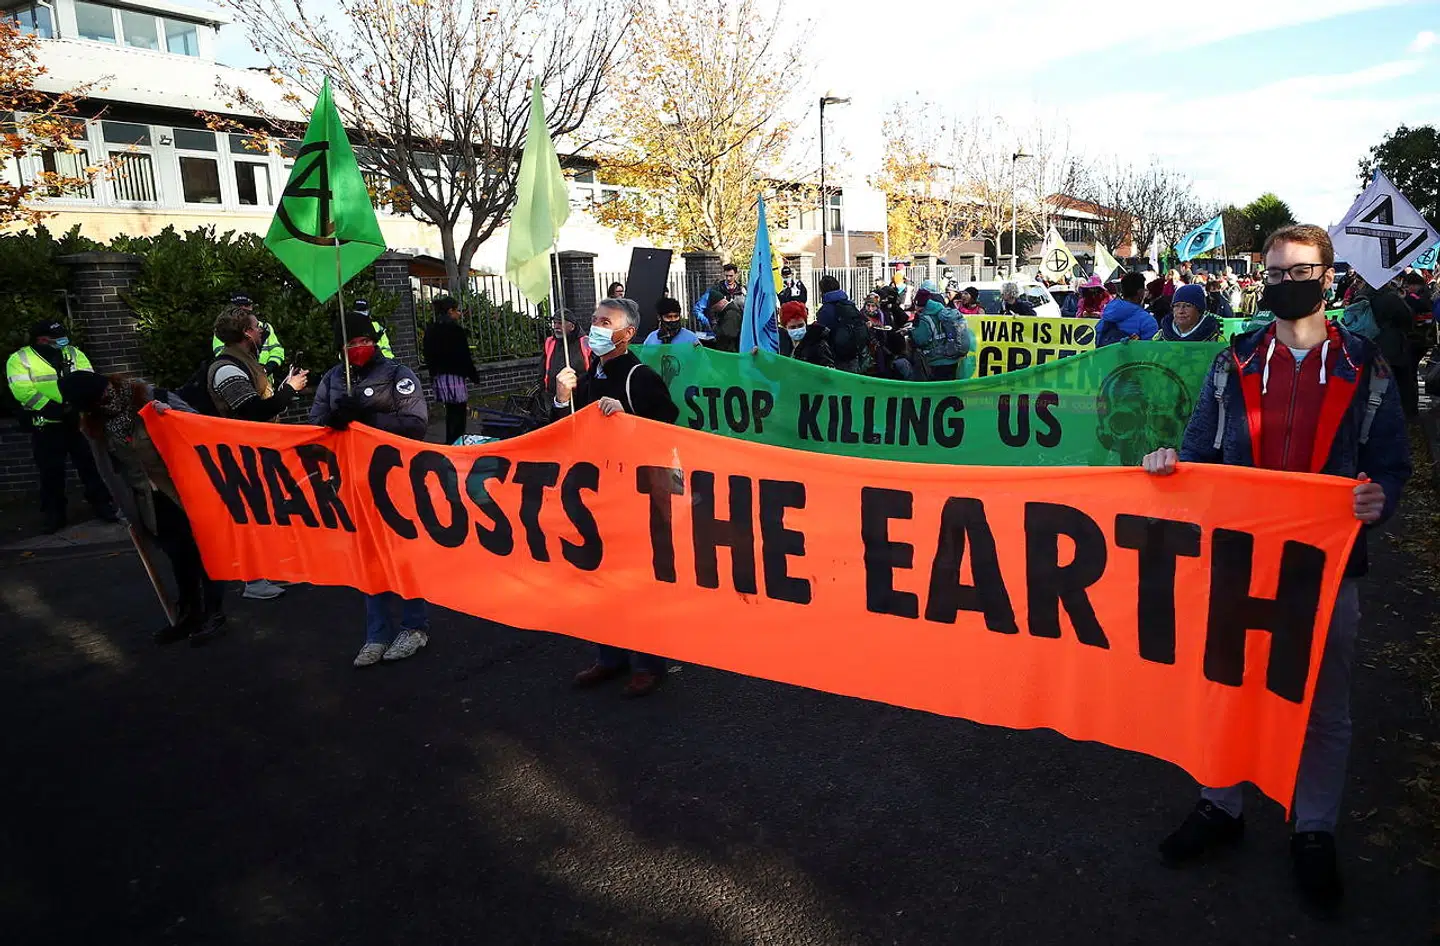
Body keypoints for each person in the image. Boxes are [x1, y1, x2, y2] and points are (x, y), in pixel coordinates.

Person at [1142, 224, 1410, 913]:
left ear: (1327, 276)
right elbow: (1199, 449)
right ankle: (1220, 806)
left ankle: (1313, 828)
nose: (1285, 282)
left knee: (1324, 704)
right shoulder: (1234, 362)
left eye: (1299, 271)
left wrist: (1379, 502)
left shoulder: (1366, 366)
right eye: (1275, 272)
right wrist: (1170, 464)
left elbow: (1390, 466)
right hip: (1239, 558)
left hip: (1330, 566)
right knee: (1228, 687)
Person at [554, 298, 679, 698]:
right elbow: (566, 430)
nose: (595, 327)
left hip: (638, 494)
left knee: (638, 580)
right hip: (598, 491)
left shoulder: (638, 376)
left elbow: (668, 427)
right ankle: (610, 656)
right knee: (601, 576)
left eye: (605, 322)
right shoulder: (592, 372)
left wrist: (627, 415)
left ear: (626, 334)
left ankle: (648, 663)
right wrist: (561, 397)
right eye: (593, 320)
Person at [58, 370, 225, 646]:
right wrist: (125, 510)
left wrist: (171, 414)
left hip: (186, 491)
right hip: (150, 500)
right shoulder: (94, 423)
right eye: (94, 402)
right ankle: (190, 613)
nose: (103, 400)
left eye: (102, 394)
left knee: (205, 553)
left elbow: (200, 426)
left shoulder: (148, 396)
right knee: (179, 557)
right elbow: (108, 470)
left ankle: (214, 613)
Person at [310, 315, 431, 667]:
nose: (357, 348)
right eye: (350, 342)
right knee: (367, 558)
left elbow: (416, 424)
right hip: (351, 480)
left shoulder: (397, 375)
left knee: (402, 553)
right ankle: (376, 633)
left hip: (395, 479)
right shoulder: (333, 379)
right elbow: (315, 427)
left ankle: (414, 626)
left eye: (363, 339)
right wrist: (332, 423)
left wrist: (368, 420)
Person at [207, 304, 308, 600]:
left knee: (264, 510)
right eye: (256, 326)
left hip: (256, 450)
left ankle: (269, 570)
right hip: (240, 453)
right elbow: (252, 411)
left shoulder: (245, 361)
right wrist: (289, 390)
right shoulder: (227, 367)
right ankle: (254, 580)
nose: (261, 330)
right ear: (245, 333)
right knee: (252, 514)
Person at [6, 318, 116, 533]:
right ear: (41, 339)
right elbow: (23, 390)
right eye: (55, 338)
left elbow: (88, 379)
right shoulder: (20, 359)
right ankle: (54, 515)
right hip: (46, 424)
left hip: (77, 420)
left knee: (90, 467)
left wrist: (78, 406)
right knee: (51, 472)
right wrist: (53, 408)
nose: (62, 341)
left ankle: (102, 505)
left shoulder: (73, 353)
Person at [423, 294, 480, 444]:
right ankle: (458, 441)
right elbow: (464, 356)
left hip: (440, 377)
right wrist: (473, 375)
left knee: (449, 411)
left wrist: (432, 374)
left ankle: (450, 441)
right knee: (459, 412)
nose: (459, 314)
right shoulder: (456, 331)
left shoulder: (431, 330)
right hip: (455, 376)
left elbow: (428, 354)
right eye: (457, 310)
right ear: (450, 311)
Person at [212, 294, 285, 382]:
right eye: (239, 305)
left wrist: (267, 368)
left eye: (246, 305)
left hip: (265, 383)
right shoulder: (224, 328)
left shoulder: (266, 327)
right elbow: (222, 354)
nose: (243, 308)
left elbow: (277, 350)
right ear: (247, 332)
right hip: (240, 377)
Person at [911, 289, 975, 381]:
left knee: (938, 392)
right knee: (949, 389)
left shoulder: (924, 318)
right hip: (951, 357)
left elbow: (921, 340)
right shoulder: (942, 311)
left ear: (919, 304)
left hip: (937, 361)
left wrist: (912, 332)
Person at [816, 275, 868, 373]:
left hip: (836, 358)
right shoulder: (850, 305)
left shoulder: (825, 311)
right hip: (854, 354)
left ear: (822, 291)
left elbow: (821, 335)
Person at [1095, 271, 1159, 346]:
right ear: (1140, 292)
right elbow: (1152, 351)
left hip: (1105, 357)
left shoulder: (1107, 312)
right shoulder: (1147, 320)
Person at [542, 310, 591, 402]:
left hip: (581, 399)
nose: (556, 326)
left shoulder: (585, 342)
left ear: (572, 326)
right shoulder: (550, 342)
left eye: (560, 323)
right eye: (555, 323)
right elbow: (543, 370)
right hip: (553, 398)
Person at [778, 300, 833, 366]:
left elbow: (828, 370)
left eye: (800, 325)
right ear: (785, 328)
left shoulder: (818, 343)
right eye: (792, 327)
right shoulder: (781, 342)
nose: (797, 329)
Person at [693, 263, 744, 335]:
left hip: (737, 332)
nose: (728, 278)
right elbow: (697, 309)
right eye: (726, 276)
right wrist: (708, 323)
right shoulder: (715, 290)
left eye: (731, 276)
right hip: (717, 332)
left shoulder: (742, 291)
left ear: (736, 275)